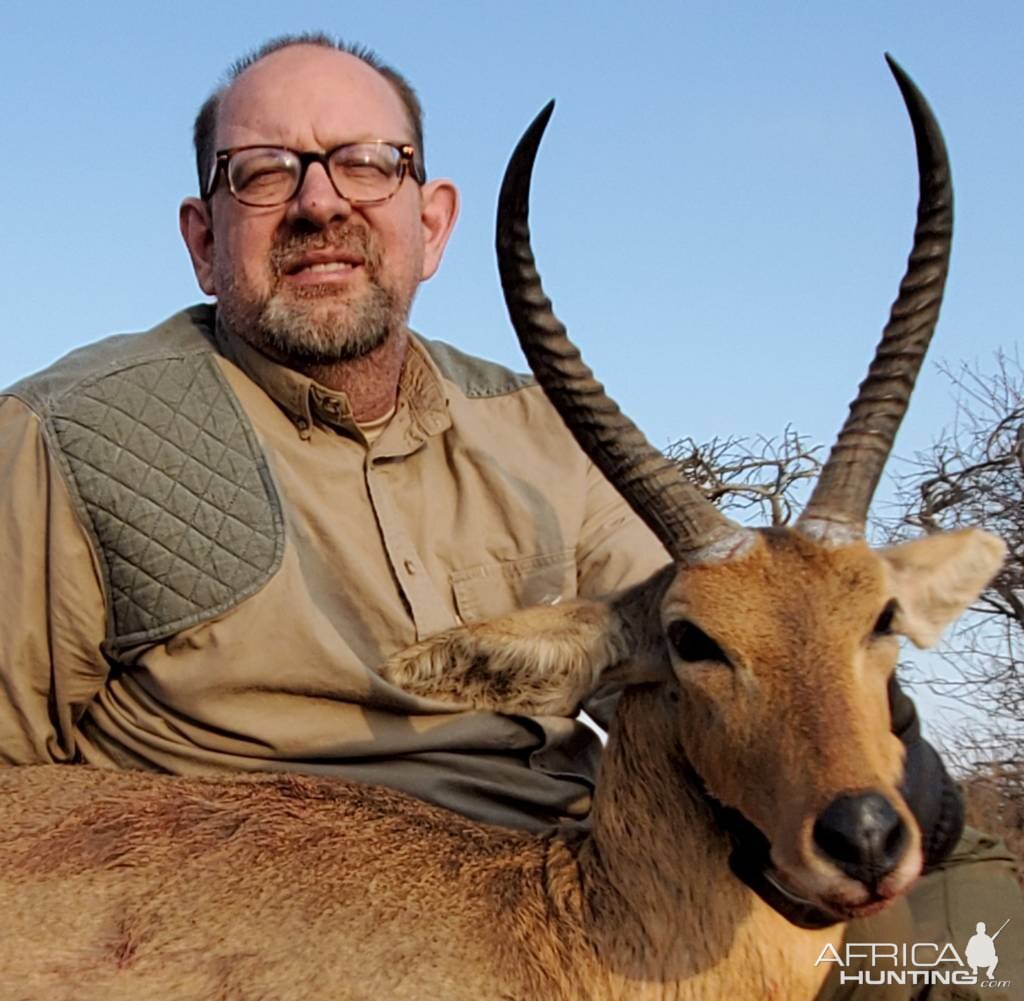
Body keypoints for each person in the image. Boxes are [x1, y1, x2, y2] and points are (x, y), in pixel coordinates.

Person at [0, 32, 1019, 1000]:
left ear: (430, 220)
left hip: (571, 880)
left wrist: (878, 741)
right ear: (200, 236)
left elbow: (708, 627)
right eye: (262, 172)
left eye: (366, 163)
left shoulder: (542, 428)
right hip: (254, 915)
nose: (318, 203)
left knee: (963, 924)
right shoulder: (69, 432)